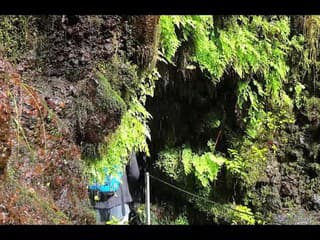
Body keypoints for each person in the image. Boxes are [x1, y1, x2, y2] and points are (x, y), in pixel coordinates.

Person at [91, 151, 140, 224]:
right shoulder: (125, 143)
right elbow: (134, 174)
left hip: (96, 202)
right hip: (119, 202)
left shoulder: (90, 142)